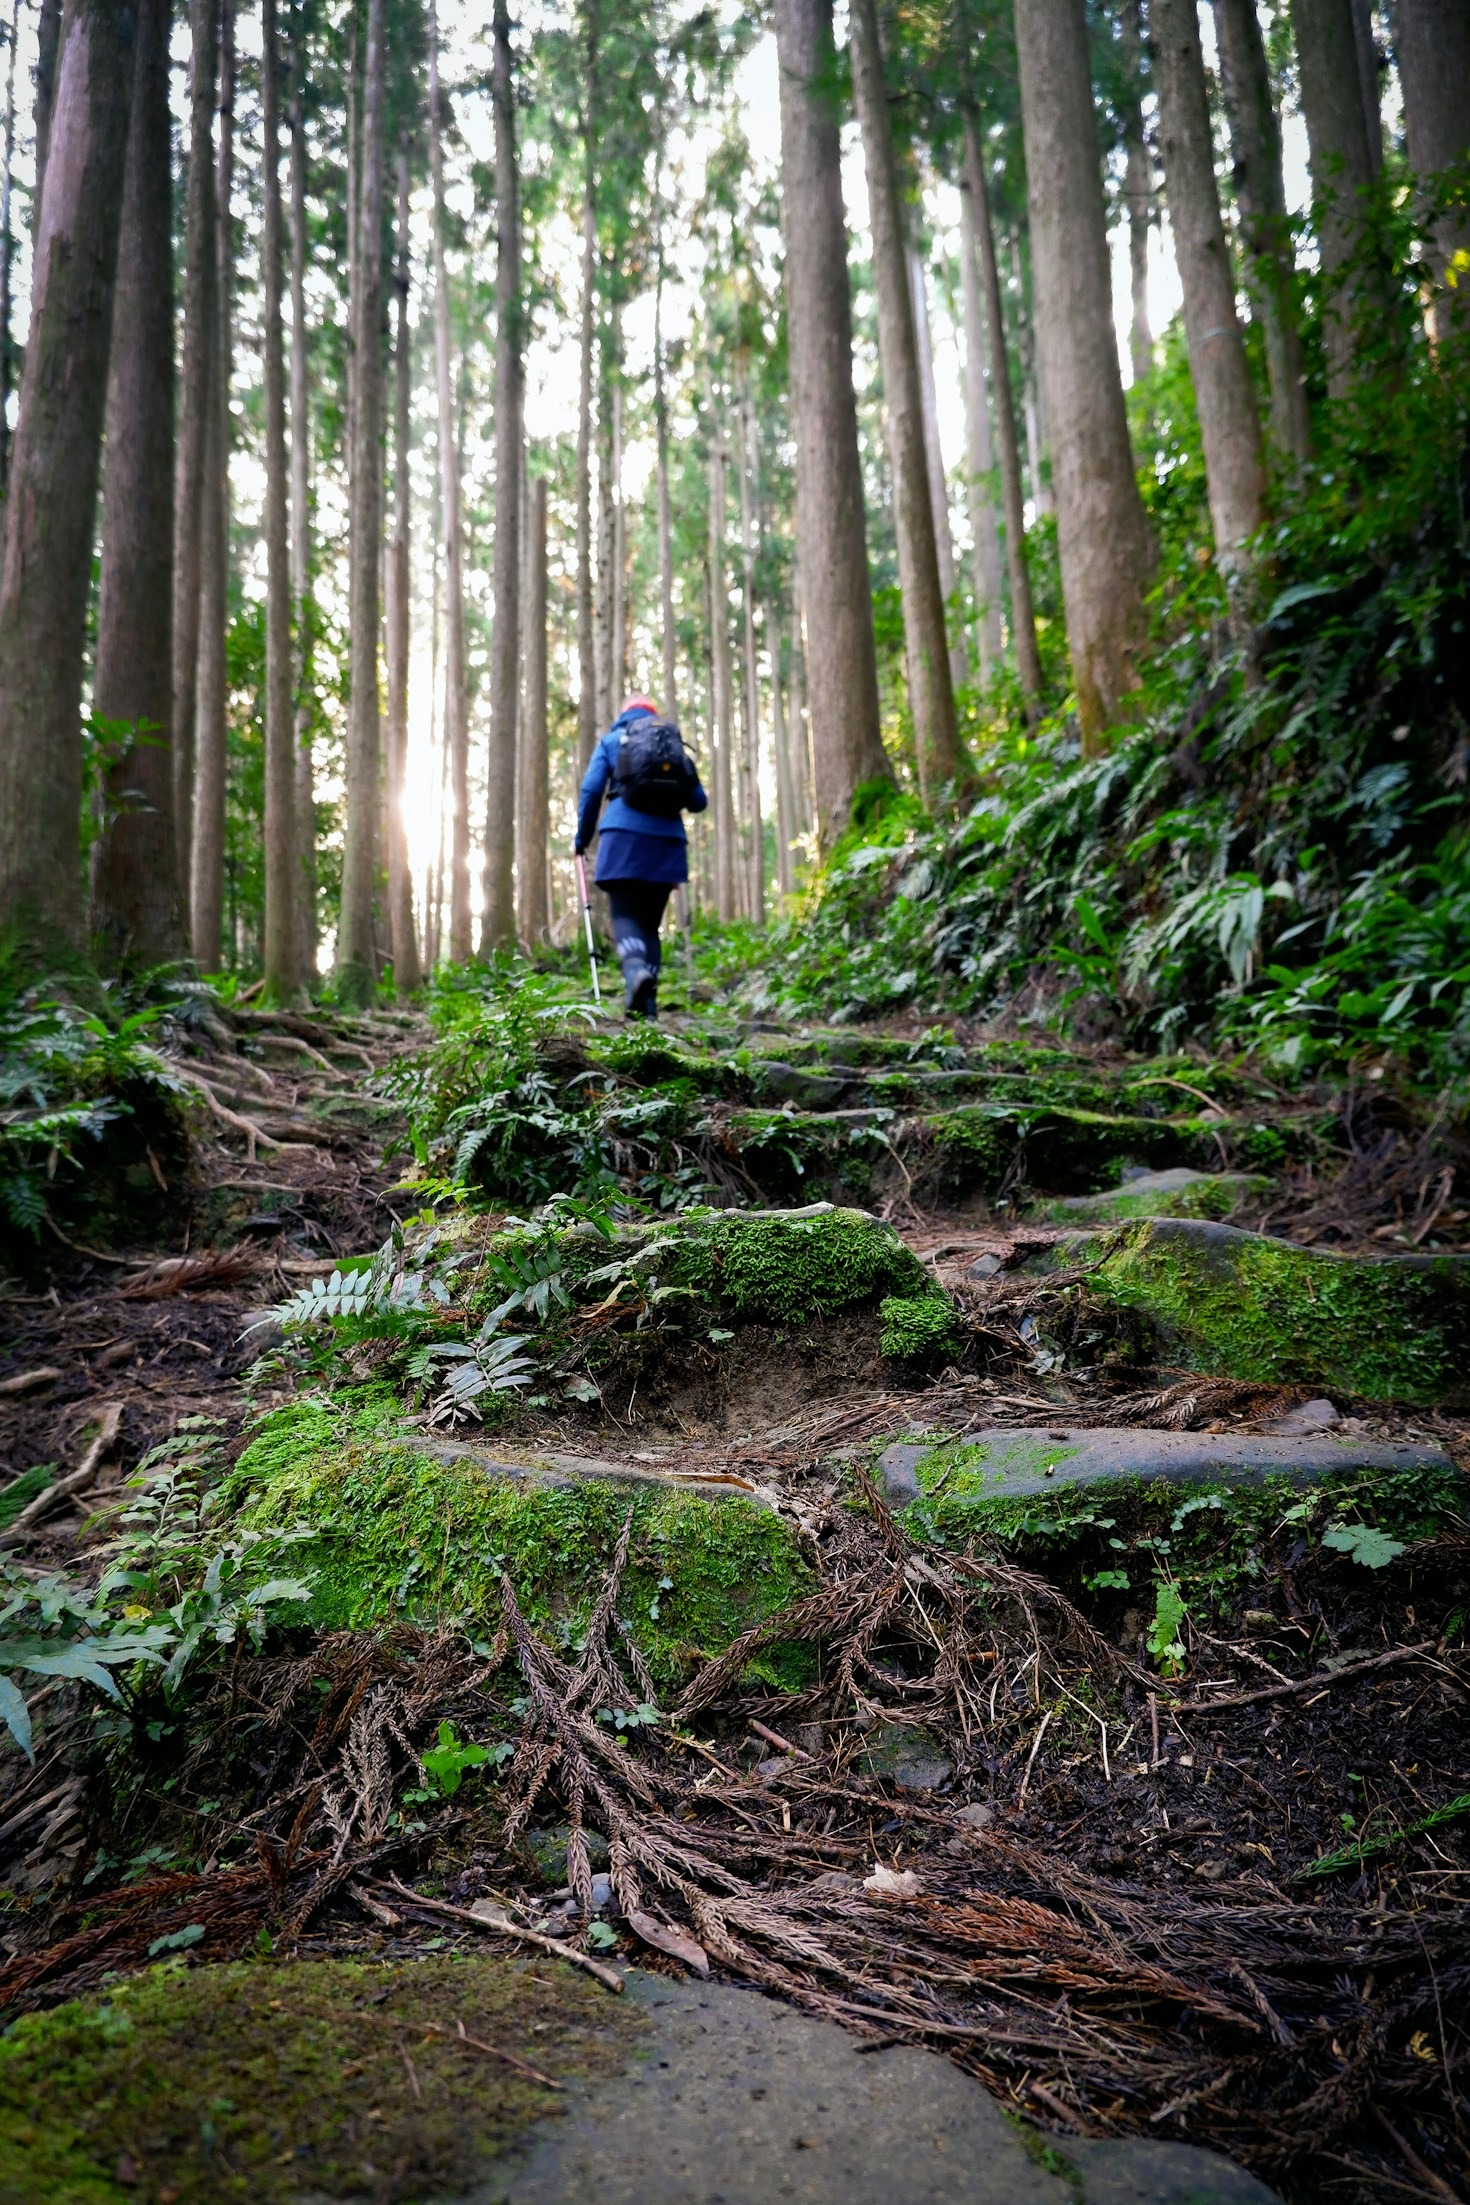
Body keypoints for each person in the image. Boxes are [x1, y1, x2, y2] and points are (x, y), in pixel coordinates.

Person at [575, 695, 707, 1020]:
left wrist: (582, 838)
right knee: (650, 926)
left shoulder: (611, 741)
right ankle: (647, 1011)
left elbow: (592, 790)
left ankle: (635, 973)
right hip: (667, 843)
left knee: (625, 917)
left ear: (624, 715)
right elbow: (698, 801)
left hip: (623, 837)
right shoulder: (671, 745)